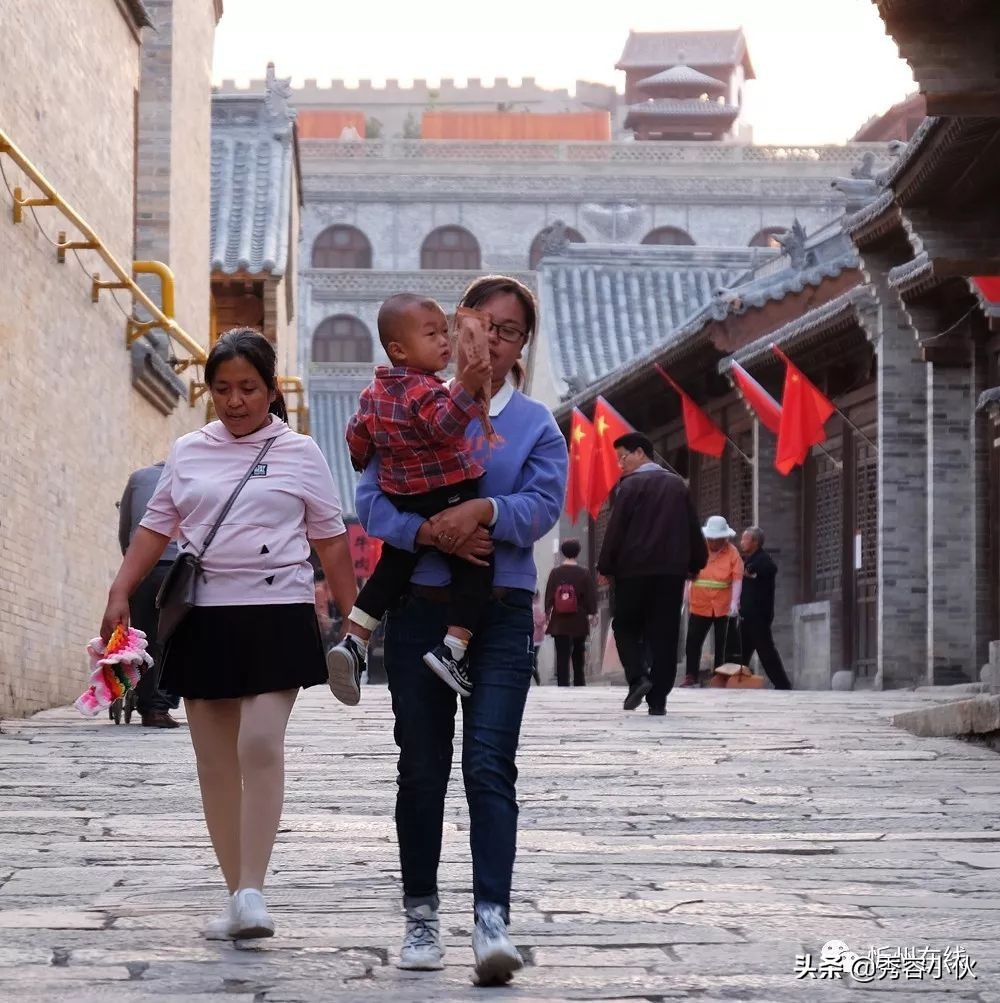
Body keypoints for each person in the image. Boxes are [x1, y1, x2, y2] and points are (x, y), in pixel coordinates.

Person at [98, 328, 357, 942]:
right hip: (206, 614)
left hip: (278, 611)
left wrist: (356, 622)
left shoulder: (300, 452)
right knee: (214, 763)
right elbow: (155, 528)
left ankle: (254, 890)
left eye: (248, 388)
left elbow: (330, 540)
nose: (235, 401)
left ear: (271, 389)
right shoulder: (189, 450)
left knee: (259, 744)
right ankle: (238, 894)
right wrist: (119, 591)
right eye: (222, 389)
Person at [355, 275, 566, 986]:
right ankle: (420, 915)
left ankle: (491, 919)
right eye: (485, 324)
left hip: (500, 613)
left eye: (511, 331)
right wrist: (431, 532)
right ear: (459, 325)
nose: (494, 340)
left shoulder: (535, 423)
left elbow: (541, 506)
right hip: (421, 608)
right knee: (421, 766)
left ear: (522, 344)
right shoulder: (411, 402)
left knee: (488, 764)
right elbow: (370, 502)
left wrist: (483, 513)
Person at [326, 293, 493, 704]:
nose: (444, 342)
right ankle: (453, 648)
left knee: (392, 568)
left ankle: (355, 637)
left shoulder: (374, 392)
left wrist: (367, 456)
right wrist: (468, 389)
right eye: (432, 334)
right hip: (450, 492)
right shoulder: (425, 389)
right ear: (399, 349)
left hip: (405, 498)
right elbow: (444, 427)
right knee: (476, 565)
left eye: (445, 333)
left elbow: (357, 437)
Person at [597, 433, 707, 715]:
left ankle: (638, 678)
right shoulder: (677, 485)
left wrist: (605, 566)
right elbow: (692, 526)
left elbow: (616, 529)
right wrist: (697, 562)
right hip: (670, 573)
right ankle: (658, 700)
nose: (621, 464)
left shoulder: (630, 486)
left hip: (633, 572)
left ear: (640, 453)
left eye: (623, 457)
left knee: (625, 626)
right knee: (665, 634)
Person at [117, 462, 181, 728]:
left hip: (143, 570)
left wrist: (132, 565)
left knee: (146, 638)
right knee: (176, 637)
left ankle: (152, 707)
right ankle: (161, 704)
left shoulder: (139, 478)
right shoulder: (198, 474)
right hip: (181, 569)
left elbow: (125, 531)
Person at [683, 515, 744, 687]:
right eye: (710, 539)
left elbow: (737, 578)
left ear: (724, 538)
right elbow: (688, 572)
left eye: (717, 540)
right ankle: (690, 676)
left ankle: (720, 675)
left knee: (722, 644)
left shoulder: (732, 553)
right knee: (693, 641)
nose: (713, 543)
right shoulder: (698, 550)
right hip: (700, 603)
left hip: (723, 606)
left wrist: (735, 602)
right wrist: (685, 593)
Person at [739, 526, 793, 689]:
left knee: (766, 652)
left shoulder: (763, 559)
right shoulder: (749, 559)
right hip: (747, 615)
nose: (742, 542)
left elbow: (770, 569)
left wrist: (751, 570)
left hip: (759, 616)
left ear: (755, 542)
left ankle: (783, 684)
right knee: (740, 652)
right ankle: (734, 682)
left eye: (745, 539)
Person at [544, 539, 597, 687]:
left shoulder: (555, 573)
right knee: (578, 652)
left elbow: (549, 595)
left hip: (559, 619)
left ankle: (563, 682)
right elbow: (590, 596)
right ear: (578, 552)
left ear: (563, 552)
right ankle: (579, 681)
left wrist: (547, 612)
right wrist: (592, 613)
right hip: (578, 618)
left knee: (562, 653)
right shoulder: (584, 573)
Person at [531, 590, 546, 685]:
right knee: (533, 659)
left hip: (531, 637)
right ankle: (537, 679)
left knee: (532, 658)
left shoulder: (529, 607)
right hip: (536, 638)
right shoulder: (536, 608)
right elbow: (539, 622)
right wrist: (545, 616)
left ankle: (536, 678)